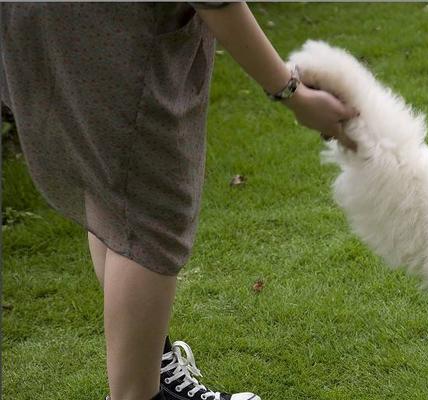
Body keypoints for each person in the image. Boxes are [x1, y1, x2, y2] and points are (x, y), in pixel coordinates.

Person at [0, 3, 356, 400]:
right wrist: (292, 92)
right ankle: (138, 393)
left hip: (44, 18)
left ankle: (153, 374)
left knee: (111, 186)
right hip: (111, 30)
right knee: (148, 214)